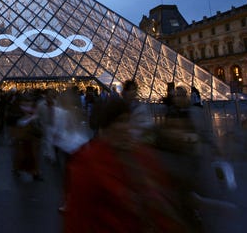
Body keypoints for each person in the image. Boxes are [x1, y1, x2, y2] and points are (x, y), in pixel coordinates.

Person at [64, 94, 193, 232]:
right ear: (106, 126)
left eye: (127, 120)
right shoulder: (88, 164)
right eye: (120, 121)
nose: (126, 126)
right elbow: (78, 218)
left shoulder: (141, 154)